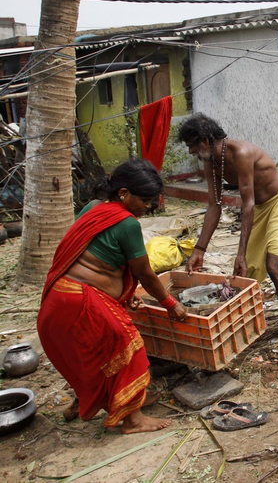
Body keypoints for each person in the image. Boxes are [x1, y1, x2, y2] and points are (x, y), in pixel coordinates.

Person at [38, 159, 188, 434]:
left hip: (58, 297)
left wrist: (123, 294)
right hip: (83, 302)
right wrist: (170, 303)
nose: (149, 207)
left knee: (94, 355)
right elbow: (145, 274)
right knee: (129, 348)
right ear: (123, 194)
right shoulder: (127, 224)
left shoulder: (93, 208)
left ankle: (90, 401)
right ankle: (133, 420)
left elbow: (97, 255)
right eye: (144, 200)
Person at [177, 114, 278, 361]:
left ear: (205, 139)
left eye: (192, 145)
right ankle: (244, 326)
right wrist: (199, 249)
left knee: (274, 266)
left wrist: (240, 252)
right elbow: (214, 205)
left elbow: (248, 205)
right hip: (259, 208)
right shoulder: (212, 161)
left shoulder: (241, 152)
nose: (191, 152)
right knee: (248, 273)